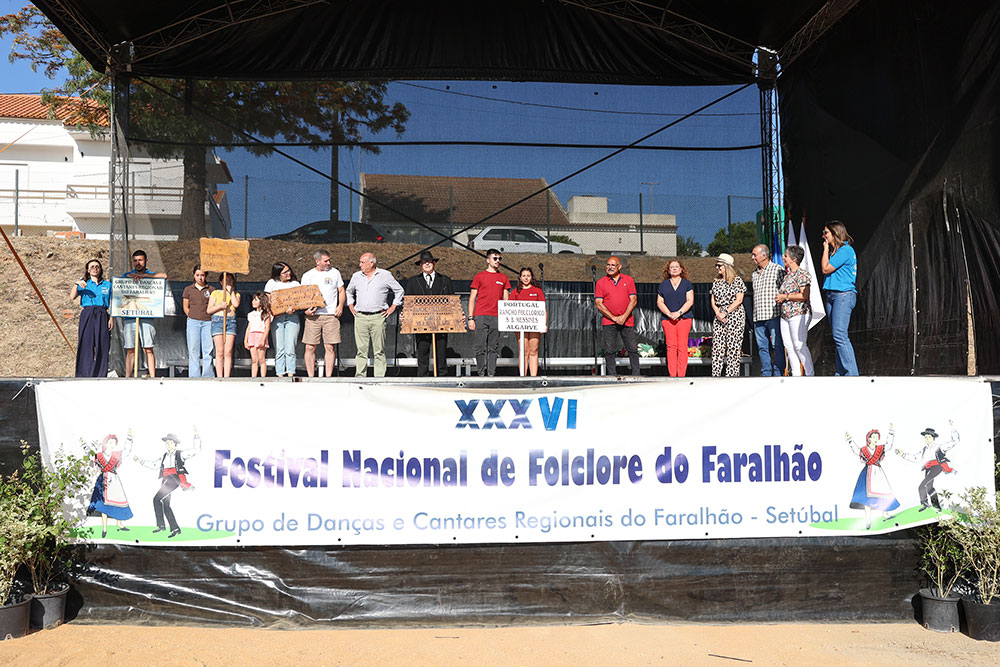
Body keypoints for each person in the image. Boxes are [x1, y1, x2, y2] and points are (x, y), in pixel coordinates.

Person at [134, 429, 201, 539]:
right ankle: (171, 528)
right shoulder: (164, 456)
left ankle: (165, 526)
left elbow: (196, 449)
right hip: (165, 480)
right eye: (167, 443)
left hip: (174, 479)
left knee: (156, 499)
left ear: (175, 444)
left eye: (170, 443)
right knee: (165, 504)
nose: (168, 445)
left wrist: (196, 435)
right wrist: (141, 461)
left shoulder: (181, 454)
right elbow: (154, 465)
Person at [346, 252, 404, 378]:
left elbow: (399, 290)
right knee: (361, 350)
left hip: (378, 316)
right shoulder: (356, 276)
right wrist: (350, 305)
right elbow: (349, 291)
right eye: (360, 262)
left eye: (362, 262)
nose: (359, 264)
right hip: (360, 316)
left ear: (371, 263)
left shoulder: (385, 275)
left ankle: (379, 377)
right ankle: (360, 376)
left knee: (379, 350)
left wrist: (393, 306)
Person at [404, 250, 455, 377]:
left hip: (441, 322)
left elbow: (452, 301)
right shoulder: (413, 281)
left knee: (441, 351)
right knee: (422, 351)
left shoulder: (445, 280)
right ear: (420, 265)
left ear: (434, 263)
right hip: (421, 323)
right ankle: (423, 377)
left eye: (429, 261)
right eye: (424, 262)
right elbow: (408, 301)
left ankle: (442, 377)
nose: (427, 264)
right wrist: (406, 316)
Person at [121, 249, 167, 378]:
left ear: (146, 261)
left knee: (148, 348)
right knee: (130, 349)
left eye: (140, 260)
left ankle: (153, 377)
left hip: (147, 317)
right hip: (130, 317)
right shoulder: (127, 276)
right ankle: (127, 377)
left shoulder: (151, 274)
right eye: (135, 261)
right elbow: (119, 290)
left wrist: (146, 277)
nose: (138, 263)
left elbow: (164, 276)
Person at [821, 220, 859, 376]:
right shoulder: (836, 252)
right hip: (832, 294)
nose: (823, 236)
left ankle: (852, 373)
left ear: (835, 233)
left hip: (843, 295)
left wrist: (824, 249)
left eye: (826, 233)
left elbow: (825, 268)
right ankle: (841, 371)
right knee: (837, 336)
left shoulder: (845, 250)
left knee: (839, 334)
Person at [895, 421, 960, 512]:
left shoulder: (940, 447)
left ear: (933, 438)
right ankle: (936, 506)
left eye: (929, 437)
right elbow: (915, 458)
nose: (927, 439)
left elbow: (955, 441)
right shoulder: (924, 450)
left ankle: (924, 503)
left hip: (937, 467)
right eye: (926, 437)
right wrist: (903, 454)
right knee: (929, 487)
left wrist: (953, 428)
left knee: (922, 486)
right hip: (928, 468)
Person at [300, 249, 345, 377]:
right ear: (317, 261)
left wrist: (340, 305)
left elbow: (341, 290)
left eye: (329, 260)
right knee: (310, 347)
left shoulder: (335, 273)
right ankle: (310, 376)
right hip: (313, 316)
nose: (328, 263)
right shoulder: (308, 275)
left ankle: (328, 376)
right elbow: (302, 296)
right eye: (326, 261)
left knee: (330, 347)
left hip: (331, 315)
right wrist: (306, 310)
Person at [467, 249, 511, 377]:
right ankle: (481, 373)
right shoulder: (480, 276)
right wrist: (471, 318)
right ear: (488, 260)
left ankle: (491, 374)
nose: (498, 261)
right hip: (481, 316)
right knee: (480, 347)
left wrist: (505, 317)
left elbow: (506, 299)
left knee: (493, 348)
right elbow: (472, 298)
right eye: (495, 258)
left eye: (499, 259)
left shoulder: (503, 278)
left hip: (496, 316)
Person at [846, 427, 899, 530]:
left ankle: (885, 513)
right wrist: (850, 440)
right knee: (867, 498)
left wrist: (891, 433)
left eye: (877, 437)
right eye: (873, 437)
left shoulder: (880, 448)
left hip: (878, 472)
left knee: (884, 493)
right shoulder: (864, 450)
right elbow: (856, 450)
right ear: (869, 439)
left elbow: (888, 445)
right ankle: (868, 520)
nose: (875, 439)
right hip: (868, 473)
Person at [595, 256, 639, 376]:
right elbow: (599, 304)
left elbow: (633, 300)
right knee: (609, 350)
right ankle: (612, 376)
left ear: (619, 267)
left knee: (632, 349)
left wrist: (624, 317)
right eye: (608, 265)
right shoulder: (601, 282)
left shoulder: (628, 280)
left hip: (627, 320)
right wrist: (613, 317)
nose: (609, 267)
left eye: (612, 265)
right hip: (609, 322)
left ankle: (636, 375)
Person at [775, 245, 815, 376]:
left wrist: (785, 296)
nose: (783, 258)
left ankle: (810, 374)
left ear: (794, 259)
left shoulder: (802, 274)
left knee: (799, 344)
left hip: (799, 313)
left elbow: (805, 295)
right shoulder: (787, 276)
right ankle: (796, 374)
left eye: (786, 256)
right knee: (789, 346)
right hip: (785, 315)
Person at [71, 258, 113, 377]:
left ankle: (100, 374)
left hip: (102, 313)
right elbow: (72, 296)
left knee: (102, 343)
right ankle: (83, 373)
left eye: (97, 266)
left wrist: (112, 318)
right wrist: (76, 284)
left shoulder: (107, 285)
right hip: (88, 313)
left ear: (100, 269)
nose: (95, 268)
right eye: (92, 267)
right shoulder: (84, 283)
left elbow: (113, 302)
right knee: (86, 343)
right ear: (88, 270)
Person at [86, 432, 133, 538]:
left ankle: (119, 523)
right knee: (104, 505)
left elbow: (127, 451)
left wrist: (129, 438)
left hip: (114, 480)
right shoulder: (98, 456)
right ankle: (104, 528)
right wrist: (84, 445)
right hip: (103, 481)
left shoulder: (117, 455)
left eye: (114, 443)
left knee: (119, 501)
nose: (112, 444)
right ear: (105, 444)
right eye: (110, 442)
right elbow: (90, 455)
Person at [750, 244, 786, 376]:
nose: (752, 257)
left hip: (773, 314)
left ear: (764, 256)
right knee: (762, 347)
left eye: (755, 255)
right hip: (758, 316)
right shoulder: (754, 274)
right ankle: (766, 372)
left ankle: (778, 372)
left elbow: (785, 290)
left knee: (777, 345)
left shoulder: (778, 269)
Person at [709, 253, 747, 377]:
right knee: (717, 347)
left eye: (719, 265)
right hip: (719, 315)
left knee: (733, 346)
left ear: (727, 266)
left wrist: (726, 312)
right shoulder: (716, 282)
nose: (717, 268)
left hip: (734, 314)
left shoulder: (736, 280)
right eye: (716, 265)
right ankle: (716, 374)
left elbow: (739, 300)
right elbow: (713, 300)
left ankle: (732, 375)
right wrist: (718, 313)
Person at [656, 258, 694, 378]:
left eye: (676, 267)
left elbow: (690, 300)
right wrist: (669, 314)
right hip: (668, 320)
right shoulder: (663, 285)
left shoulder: (687, 284)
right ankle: (672, 375)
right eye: (671, 267)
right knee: (671, 347)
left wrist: (679, 312)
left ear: (681, 269)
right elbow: (660, 302)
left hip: (684, 318)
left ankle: (681, 375)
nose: (674, 269)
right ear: (668, 270)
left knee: (682, 346)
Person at [264, 262, 301, 377]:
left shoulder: (295, 283)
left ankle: (291, 372)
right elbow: (267, 300)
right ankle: (280, 373)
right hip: (277, 318)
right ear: (278, 274)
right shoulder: (271, 283)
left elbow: (300, 300)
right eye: (285, 272)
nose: (288, 273)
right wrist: (275, 311)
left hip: (292, 317)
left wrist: (293, 308)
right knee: (279, 346)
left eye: (289, 270)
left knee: (290, 347)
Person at [509, 267, 546, 377]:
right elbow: (509, 308)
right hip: (520, 325)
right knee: (523, 351)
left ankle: (533, 377)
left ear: (532, 277)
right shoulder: (515, 292)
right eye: (524, 276)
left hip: (535, 324)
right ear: (520, 277)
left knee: (533, 350)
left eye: (528, 276)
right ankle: (523, 377)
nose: (526, 278)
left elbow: (543, 309)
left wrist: (544, 324)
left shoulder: (537, 291)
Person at [182, 265, 214, 378]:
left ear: (206, 276)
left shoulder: (211, 290)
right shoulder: (188, 290)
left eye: (202, 275)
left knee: (208, 350)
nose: (200, 278)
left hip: (208, 322)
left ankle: (208, 375)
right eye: (197, 275)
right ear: (193, 275)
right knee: (193, 350)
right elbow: (185, 307)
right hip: (193, 323)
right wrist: (191, 316)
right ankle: (194, 376)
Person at [207, 273, 241, 378]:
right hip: (218, 320)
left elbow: (235, 304)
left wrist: (231, 291)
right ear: (221, 282)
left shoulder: (236, 294)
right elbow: (209, 310)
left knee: (228, 351)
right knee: (219, 351)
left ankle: (227, 376)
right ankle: (219, 376)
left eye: (231, 280)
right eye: (226, 280)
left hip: (230, 321)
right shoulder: (215, 293)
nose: (229, 282)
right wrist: (220, 306)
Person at [244, 291, 271, 378]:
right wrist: (246, 340)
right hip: (252, 336)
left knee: (261, 359)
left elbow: (267, 327)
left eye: (256, 300)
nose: (253, 302)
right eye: (253, 300)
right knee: (254, 360)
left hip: (260, 335)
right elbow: (248, 327)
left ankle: (263, 377)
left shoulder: (266, 314)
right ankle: (253, 377)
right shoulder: (251, 314)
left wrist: (263, 339)